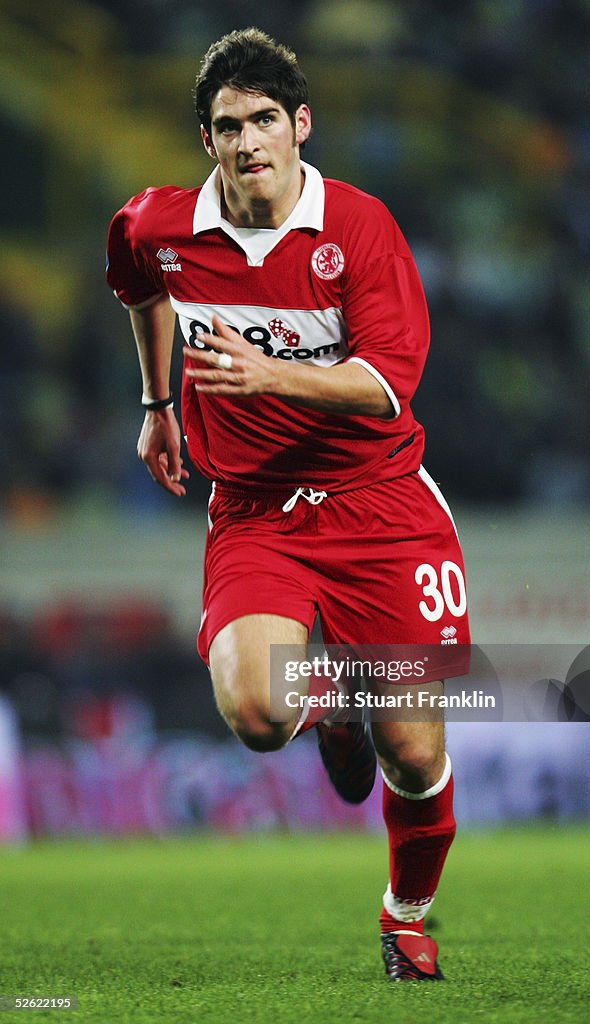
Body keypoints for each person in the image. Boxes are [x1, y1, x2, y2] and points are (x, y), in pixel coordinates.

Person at [106, 27, 470, 982]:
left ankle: (406, 914)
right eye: (228, 125)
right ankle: (332, 712)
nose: (248, 141)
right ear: (207, 139)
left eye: (266, 119)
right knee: (260, 711)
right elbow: (137, 284)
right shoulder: (160, 226)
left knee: (417, 758)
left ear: (301, 125)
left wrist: (268, 374)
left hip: (380, 501)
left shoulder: (357, 228)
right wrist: (156, 404)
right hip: (260, 509)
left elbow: (390, 384)